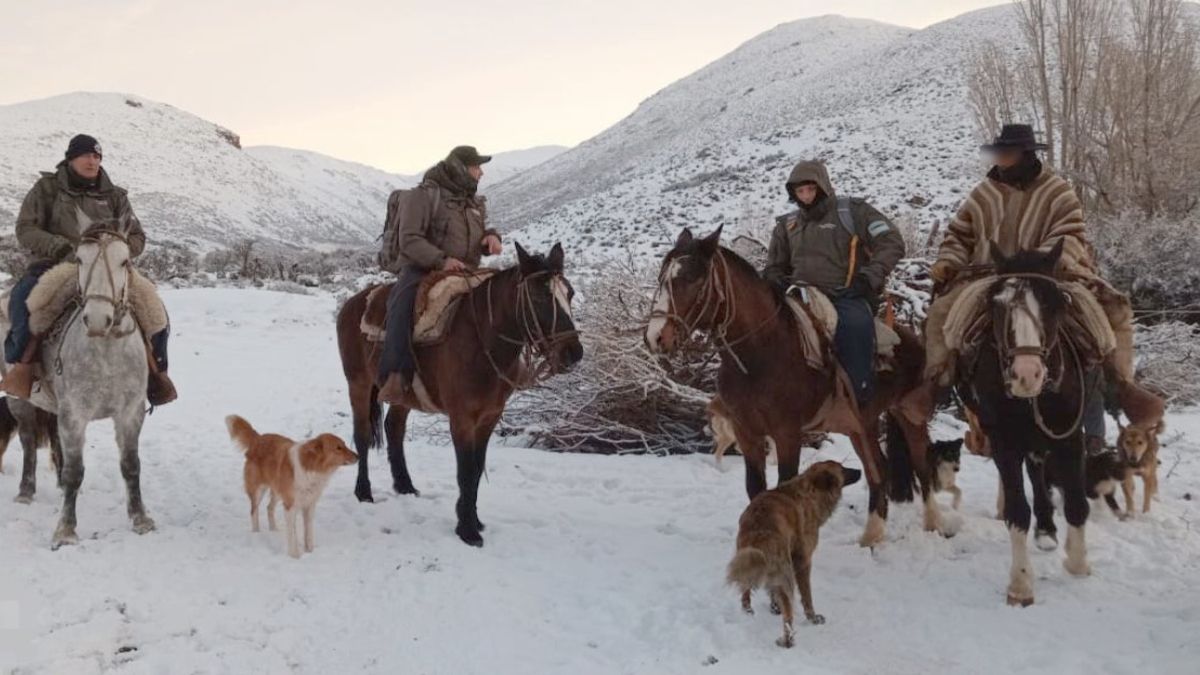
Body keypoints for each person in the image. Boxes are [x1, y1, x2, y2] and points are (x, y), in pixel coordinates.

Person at [925, 123, 1161, 446]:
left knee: (1111, 309)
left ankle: (1118, 382)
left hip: (1049, 273)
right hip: (989, 275)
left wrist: (1040, 261)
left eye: (1008, 153)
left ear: (1026, 154)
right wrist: (948, 262)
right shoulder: (983, 194)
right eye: (1000, 153)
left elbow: (1071, 232)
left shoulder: (1057, 191)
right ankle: (938, 381)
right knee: (941, 311)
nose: (1001, 159)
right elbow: (960, 235)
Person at [0, 134, 177, 406]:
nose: (92, 161)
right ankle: (21, 369)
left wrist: (117, 250)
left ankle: (157, 376)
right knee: (24, 302)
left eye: (97, 156)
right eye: (86, 155)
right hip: (57, 264)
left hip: (108, 270)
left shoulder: (115, 196)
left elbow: (137, 236)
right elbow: (26, 229)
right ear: (71, 159)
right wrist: (58, 246)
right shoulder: (47, 189)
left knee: (155, 310)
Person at [764, 160, 905, 405]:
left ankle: (859, 397)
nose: (806, 196)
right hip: (799, 295)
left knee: (855, 326)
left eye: (811, 189)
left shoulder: (852, 212)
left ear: (823, 186)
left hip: (846, 294)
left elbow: (891, 241)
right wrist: (774, 277)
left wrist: (870, 276)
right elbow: (775, 264)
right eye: (800, 191)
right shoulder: (787, 225)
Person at [376, 146, 503, 402]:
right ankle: (395, 375)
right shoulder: (422, 196)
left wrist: (490, 236)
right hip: (424, 268)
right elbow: (409, 239)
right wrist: (442, 260)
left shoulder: (474, 202)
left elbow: (475, 233)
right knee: (401, 303)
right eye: (477, 167)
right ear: (461, 168)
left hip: (467, 270)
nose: (481, 173)